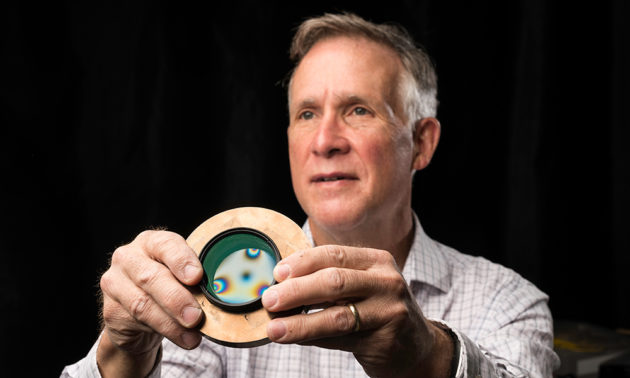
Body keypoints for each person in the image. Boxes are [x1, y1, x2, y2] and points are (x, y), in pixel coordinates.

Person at [62, 12, 559, 378]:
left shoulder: (506, 301)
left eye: (358, 110)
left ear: (422, 143)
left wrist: (427, 357)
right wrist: (122, 355)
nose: (325, 141)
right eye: (305, 115)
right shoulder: (217, 291)